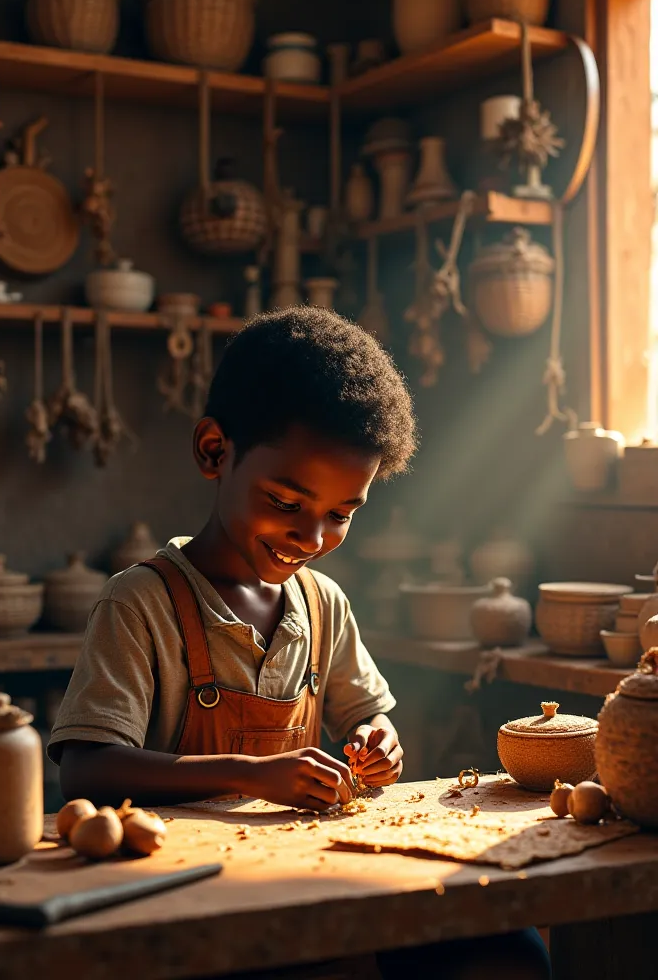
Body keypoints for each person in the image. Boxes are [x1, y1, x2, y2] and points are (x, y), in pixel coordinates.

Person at [48, 307, 550, 980]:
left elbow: (368, 715)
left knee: (507, 952)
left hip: (310, 881)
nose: (312, 540)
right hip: (182, 902)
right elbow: (86, 770)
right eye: (286, 503)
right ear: (214, 452)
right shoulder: (140, 603)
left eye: (341, 515)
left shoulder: (322, 605)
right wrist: (252, 774)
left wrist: (377, 740)